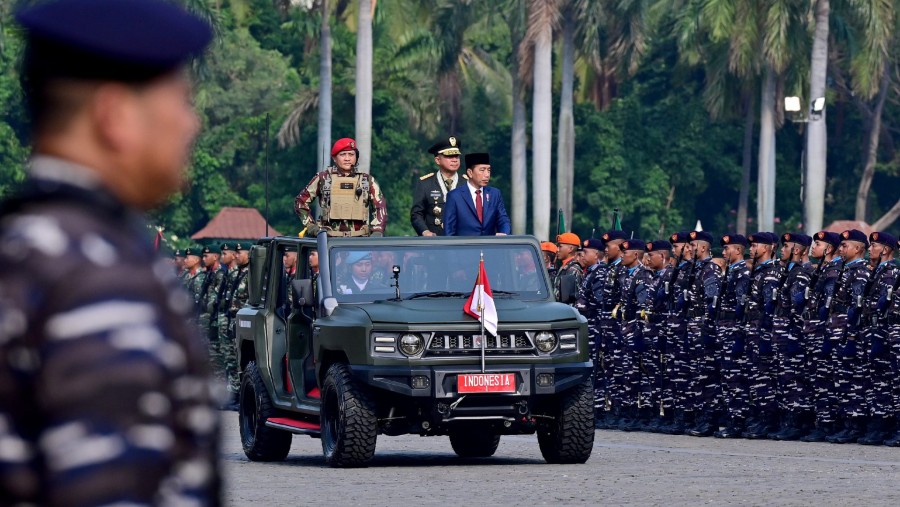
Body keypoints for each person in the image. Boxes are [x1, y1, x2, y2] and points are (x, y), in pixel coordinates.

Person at [0, 1, 220, 504]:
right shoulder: (93, 277)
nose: (191, 124)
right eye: (181, 102)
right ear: (115, 115)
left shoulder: (26, 248)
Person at [294, 137, 387, 237]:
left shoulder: (367, 181)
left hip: (360, 241)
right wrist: (311, 226)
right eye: (343, 154)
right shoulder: (323, 178)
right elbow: (300, 202)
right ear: (334, 158)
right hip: (329, 240)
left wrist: (377, 230)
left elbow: (380, 207)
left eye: (351, 154)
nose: (347, 158)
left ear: (356, 157)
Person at [443, 152, 511, 236]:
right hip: (464, 247)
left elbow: (503, 219)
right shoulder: (455, 196)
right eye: (482, 170)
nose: (487, 175)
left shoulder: (494, 194)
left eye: (488, 170)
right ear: (470, 173)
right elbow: (449, 231)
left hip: (489, 247)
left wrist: (504, 233)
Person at [411, 136, 462, 236]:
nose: (454, 160)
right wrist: (425, 232)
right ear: (438, 160)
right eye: (449, 156)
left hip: (462, 243)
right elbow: (416, 214)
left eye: (457, 156)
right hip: (434, 244)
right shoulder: (425, 184)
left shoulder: (467, 183)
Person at [554, 232, 583, 302]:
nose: (557, 249)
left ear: (570, 249)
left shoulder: (573, 269)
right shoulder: (565, 267)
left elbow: (567, 299)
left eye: (560, 246)